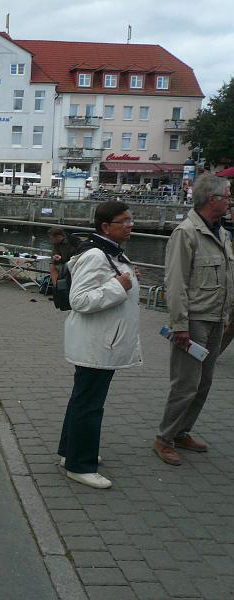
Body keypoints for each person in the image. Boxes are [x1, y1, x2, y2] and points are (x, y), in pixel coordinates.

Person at [58, 201, 140, 489]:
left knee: (83, 398)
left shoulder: (107, 252)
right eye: (124, 221)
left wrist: (125, 279)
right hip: (99, 342)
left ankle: (71, 452)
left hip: (102, 339)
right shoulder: (96, 255)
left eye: (131, 219)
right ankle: (80, 465)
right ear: (106, 226)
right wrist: (120, 286)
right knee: (90, 403)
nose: (131, 224)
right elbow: (79, 300)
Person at [154, 174, 234, 466]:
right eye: (227, 196)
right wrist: (180, 325)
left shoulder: (220, 233)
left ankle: (182, 431)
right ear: (212, 199)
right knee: (185, 384)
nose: (230, 200)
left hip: (216, 319)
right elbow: (175, 284)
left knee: (204, 383)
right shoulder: (186, 233)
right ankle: (164, 438)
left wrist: (226, 315)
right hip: (194, 321)